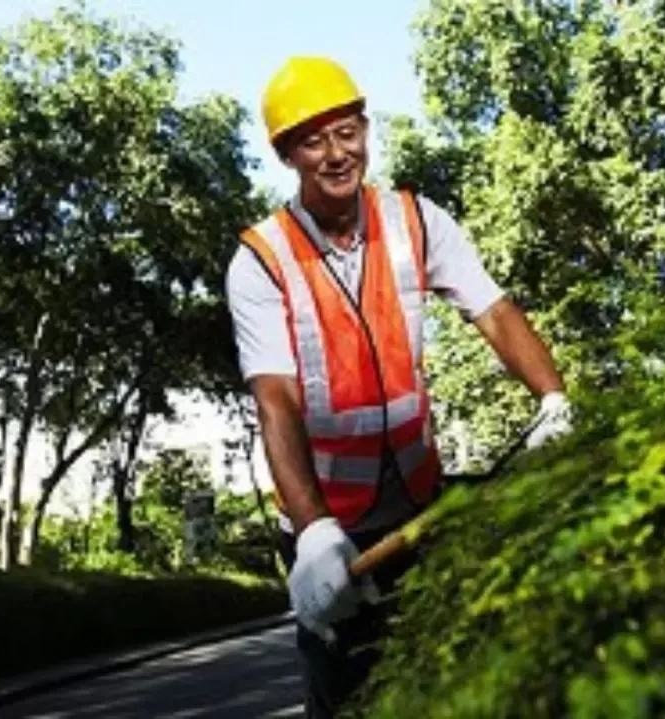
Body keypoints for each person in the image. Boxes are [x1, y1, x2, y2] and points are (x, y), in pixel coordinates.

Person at [225, 55, 575, 717]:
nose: (338, 153)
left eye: (348, 132)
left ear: (366, 130)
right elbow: (276, 398)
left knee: (447, 684)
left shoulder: (417, 221)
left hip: (419, 510)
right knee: (346, 695)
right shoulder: (260, 260)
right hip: (330, 527)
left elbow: (493, 310)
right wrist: (313, 531)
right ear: (286, 155)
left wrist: (552, 399)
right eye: (314, 141)